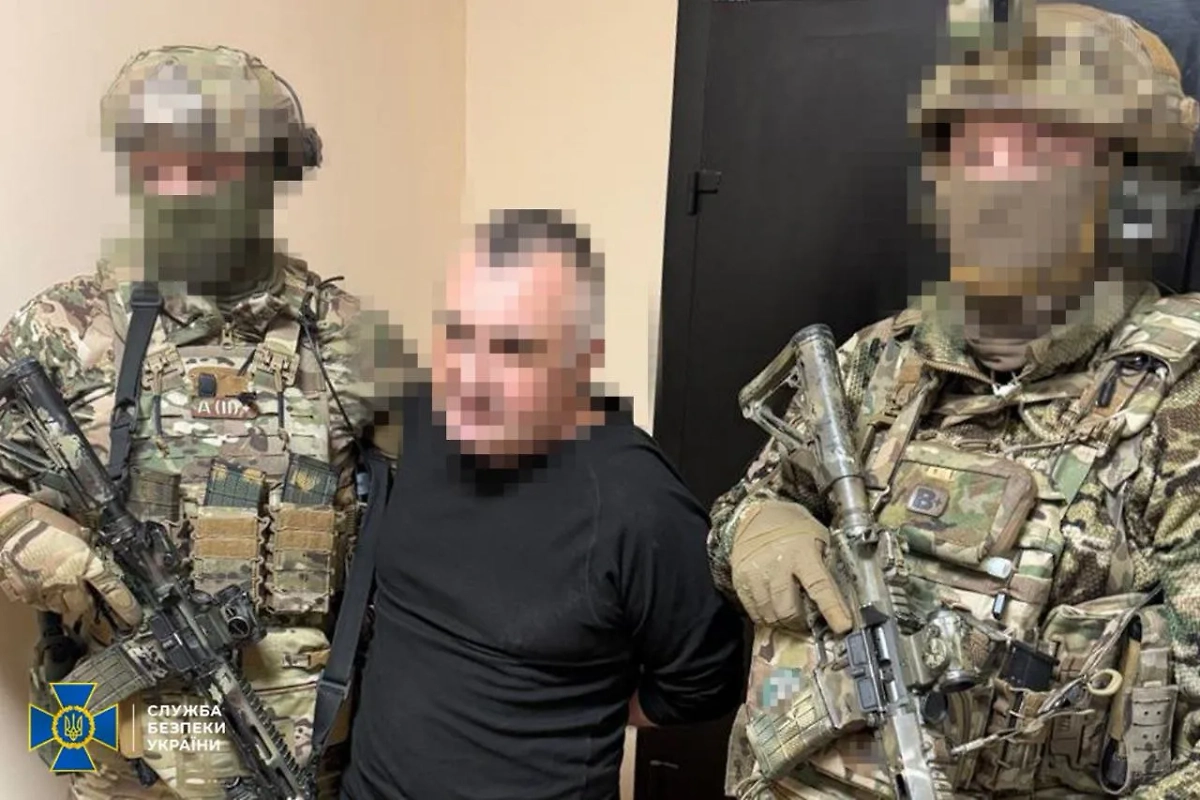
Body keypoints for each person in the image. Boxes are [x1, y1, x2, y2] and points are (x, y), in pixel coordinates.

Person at [708, 2, 1200, 798]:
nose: (996, 179)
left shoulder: (1181, 403)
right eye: (974, 145)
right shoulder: (876, 362)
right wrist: (757, 527)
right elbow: (752, 501)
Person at [0, 46, 398, 798]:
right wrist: (59, 560)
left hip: (309, 760)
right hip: (123, 766)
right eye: (163, 156)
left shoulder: (346, 337)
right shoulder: (65, 329)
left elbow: (436, 537)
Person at [341, 209, 746, 800]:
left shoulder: (638, 500)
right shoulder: (421, 423)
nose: (471, 376)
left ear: (583, 360)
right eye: (458, 336)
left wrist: (577, 711)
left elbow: (705, 681)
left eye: (513, 348)